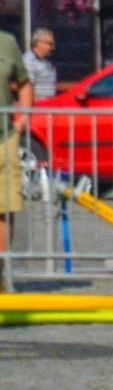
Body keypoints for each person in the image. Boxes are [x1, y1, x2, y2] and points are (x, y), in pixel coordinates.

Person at [0, 29, 34, 267]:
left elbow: (24, 84)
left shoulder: (7, 42)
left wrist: (23, 119)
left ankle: (1, 272)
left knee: (5, 208)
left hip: (4, 137)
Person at [24, 28, 56, 100]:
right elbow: (27, 88)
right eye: (50, 44)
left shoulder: (47, 63)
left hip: (49, 106)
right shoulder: (29, 61)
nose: (53, 48)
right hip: (37, 106)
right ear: (39, 43)